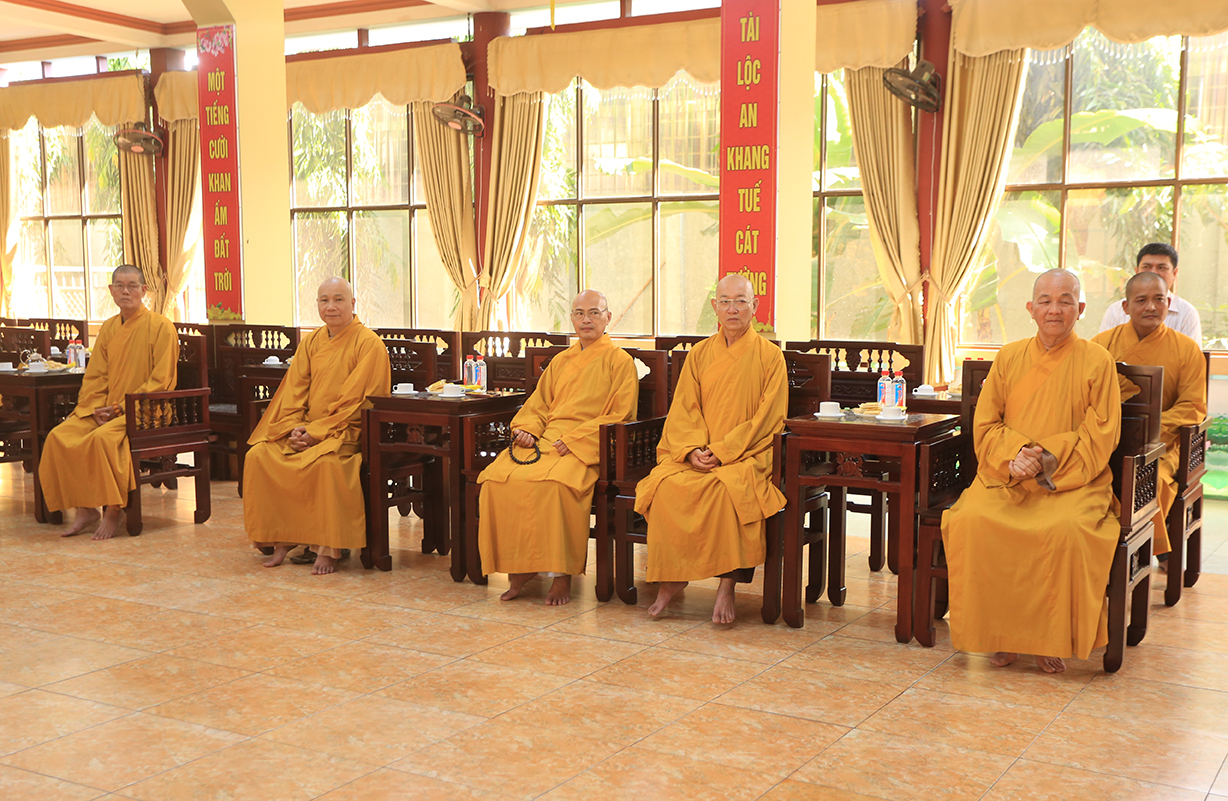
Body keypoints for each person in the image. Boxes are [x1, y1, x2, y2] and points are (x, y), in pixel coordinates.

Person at [944, 269, 1121, 674]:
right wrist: (1015, 456)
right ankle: (1000, 636)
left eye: (1065, 301)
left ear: (1080, 308)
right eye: (1046, 301)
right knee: (971, 520)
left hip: (1070, 480)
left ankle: (1049, 640)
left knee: (1066, 531)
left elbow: (1102, 432)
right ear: (1031, 308)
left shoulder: (1098, 360)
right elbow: (986, 423)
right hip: (1007, 475)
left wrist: (1045, 458)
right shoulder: (1008, 357)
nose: (1054, 310)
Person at [635, 273, 788, 624]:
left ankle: (727, 583)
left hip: (746, 452)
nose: (733, 309)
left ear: (755, 306)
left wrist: (724, 450)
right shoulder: (700, 354)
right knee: (666, 486)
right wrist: (691, 450)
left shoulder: (770, 357)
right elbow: (684, 410)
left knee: (726, 490)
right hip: (698, 452)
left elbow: (769, 417)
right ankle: (672, 577)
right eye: (725, 302)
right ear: (715, 307)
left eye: (740, 301)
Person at [477, 290, 638, 605]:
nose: (586, 319)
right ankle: (519, 569)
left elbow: (621, 414)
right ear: (572, 319)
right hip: (547, 439)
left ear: (608, 317)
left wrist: (577, 439)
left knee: (555, 486)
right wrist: (527, 429)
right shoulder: (561, 361)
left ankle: (561, 576)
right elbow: (538, 405)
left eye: (594, 312)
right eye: (579, 313)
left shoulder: (620, 362)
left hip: (586, 445)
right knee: (496, 480)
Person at [244, 277, 390, 575]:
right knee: (259, 456)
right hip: (306, 429)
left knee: (327, 465)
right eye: (324, 300)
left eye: (338, 299)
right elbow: (293, 392)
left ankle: (328, 548)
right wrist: (294, 429)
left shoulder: (369, 344)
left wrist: (317, 433)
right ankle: (283, 537)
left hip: (346, 430)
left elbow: (359, 401)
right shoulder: (311, 342)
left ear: (353, 303)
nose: (331, 306)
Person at [40, 265, 179, 541]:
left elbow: (161, 380)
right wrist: (93, 410)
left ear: (144, 290)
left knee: (102, 440)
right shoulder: (109, 328)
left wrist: (119, 408)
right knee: (58, 437)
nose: (126, 291)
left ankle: (114, 509)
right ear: (111, 290)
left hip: (145, 410)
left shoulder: (161, 327)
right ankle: (85, 508)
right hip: (106, 410)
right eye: (120, 286)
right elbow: (96, 377)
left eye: (132, 286)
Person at [1092, 271, 1207, 557]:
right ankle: (1096, 549)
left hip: (1161, 445)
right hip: (1105, 442)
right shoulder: (1100, 346)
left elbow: (1192, 407)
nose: (1151, 307)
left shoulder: (1186, 349)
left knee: (1148, 481)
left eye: (1159, 299)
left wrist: (1147, 431)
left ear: (1168, 303)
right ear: (1126, 306)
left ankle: (1138, 553)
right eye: (1141, 300)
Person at [1098, 243, 1202, 344]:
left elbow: (1190, 353)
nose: (1153, 273)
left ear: (1174, 274)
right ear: (1137, 271)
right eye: (1146, 267)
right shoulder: (1116, 311)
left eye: (1161, 268)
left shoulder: (1187, 313)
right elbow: (1102, 351)